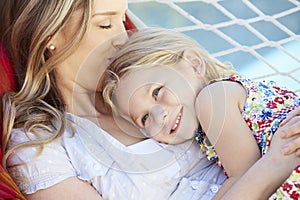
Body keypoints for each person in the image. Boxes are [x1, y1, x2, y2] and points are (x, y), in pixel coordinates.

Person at [1, 1, 300, 199]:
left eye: (122, 19)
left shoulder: (156, 74)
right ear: (50, 33)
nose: (123, 36)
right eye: (105, 24)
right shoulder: (40, 143)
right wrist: (275, 164)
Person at [102, 28, 300, 199]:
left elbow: (248, 178)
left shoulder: (213, 98)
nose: (159, 116)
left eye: (157, 92)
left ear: (194, 64)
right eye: (145, 118)